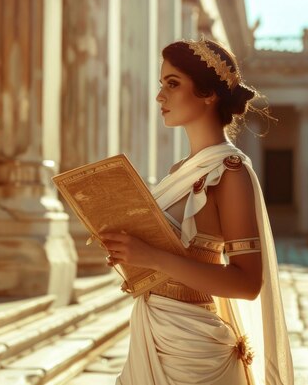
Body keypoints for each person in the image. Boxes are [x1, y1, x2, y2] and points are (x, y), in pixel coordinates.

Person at [99, 38, 294, 385]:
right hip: (152, 333)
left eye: (172, 84)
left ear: (208, 93)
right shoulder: (178, 172)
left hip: (195, 355)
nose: (160, 96)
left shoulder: (230, 172)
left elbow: (248, 283)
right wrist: (130, 256)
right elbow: (168, 257)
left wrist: (153, 258)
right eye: (161, 85)